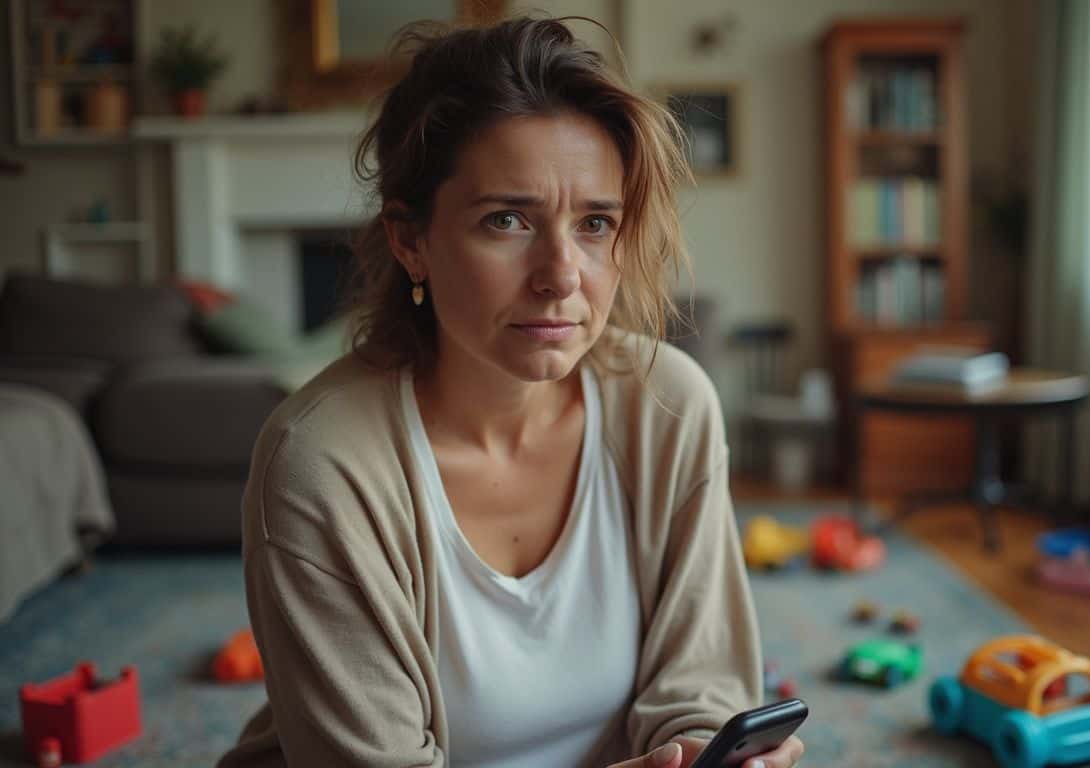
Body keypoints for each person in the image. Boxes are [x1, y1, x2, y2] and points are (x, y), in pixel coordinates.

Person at [217, 14, 805, 768]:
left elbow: (700, 684)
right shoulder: (322, 462)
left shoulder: (668, 404)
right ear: (410, 241)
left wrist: (706, 754)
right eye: (506, 220)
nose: (561, 275)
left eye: (595, 223)